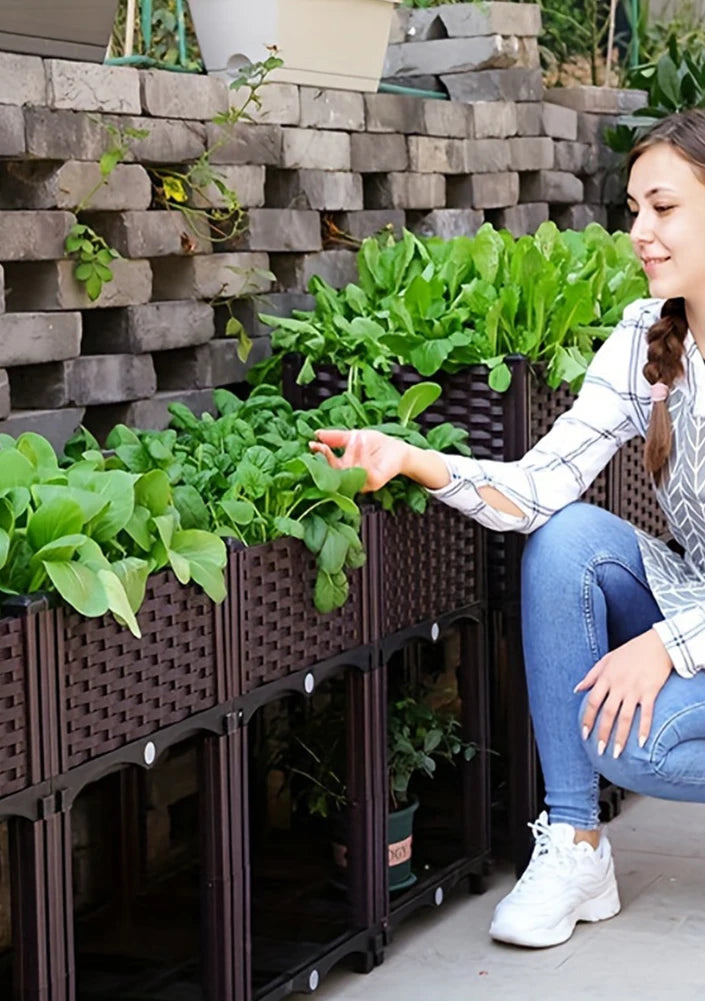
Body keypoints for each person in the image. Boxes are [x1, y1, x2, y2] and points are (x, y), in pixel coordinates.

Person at [310, 108, 705, 949]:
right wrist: (408, 455)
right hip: (695, 602)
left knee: (638, 749)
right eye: (632, 209)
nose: (639, 232)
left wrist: (665, 647)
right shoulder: (647, 336)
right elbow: (536, 490)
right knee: (562, 540)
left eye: (662, 208)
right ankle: (574, 844)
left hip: (694, 629)